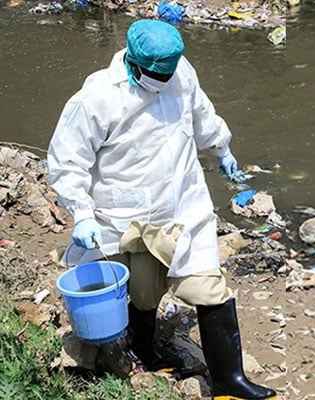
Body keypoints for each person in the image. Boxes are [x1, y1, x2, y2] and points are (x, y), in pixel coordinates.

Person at [47, 19, 276, 400]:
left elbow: (201, 113)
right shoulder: (97, 98)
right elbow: (67, 162)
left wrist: (222, 147)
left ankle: (228, 381)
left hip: (183, 206)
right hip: (126, 215)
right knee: (143, 292)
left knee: (207, 286)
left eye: (169, 73)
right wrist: (82, 213)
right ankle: (145, 354)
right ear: (133, 64)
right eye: (156, 75)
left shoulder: (181, 72)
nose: (164, 81)